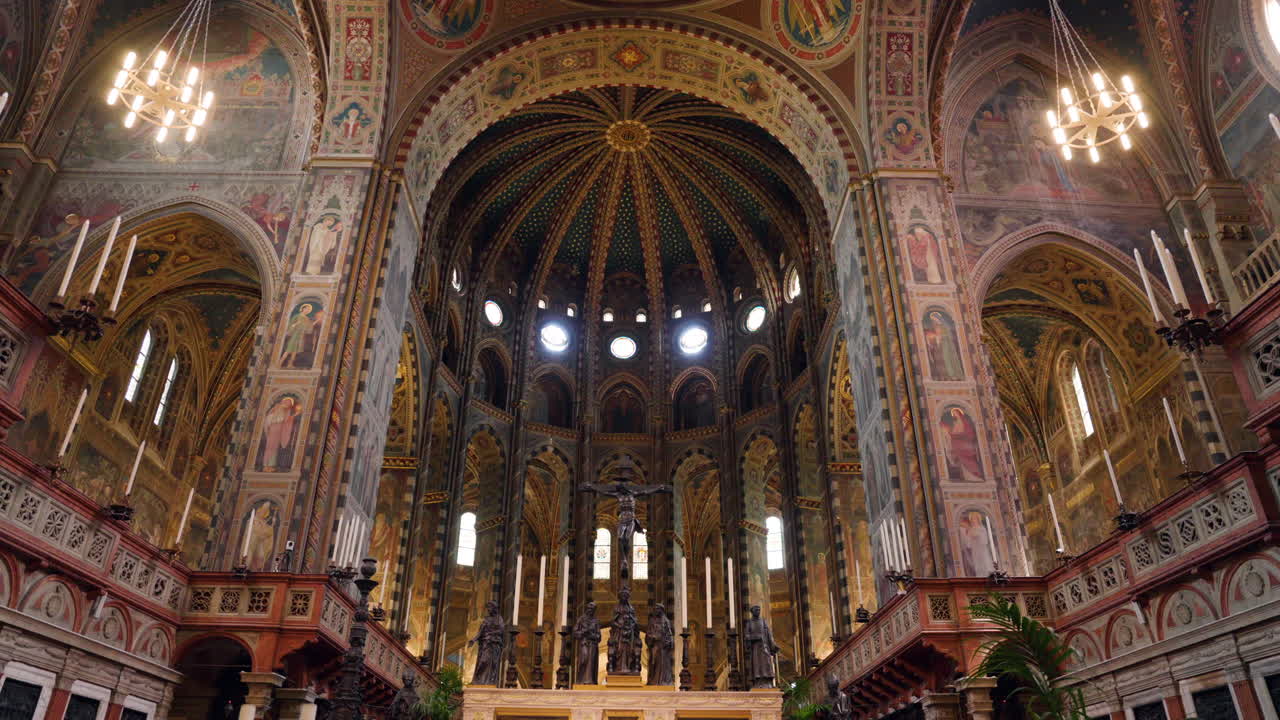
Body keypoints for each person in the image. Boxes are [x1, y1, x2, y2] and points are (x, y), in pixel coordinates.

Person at [742, 605, 779, 689]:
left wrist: (773, 645)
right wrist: (755, 637)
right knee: (757, 665)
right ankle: (758, 682)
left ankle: (767, 681)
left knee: (766, 664)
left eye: (759, 610)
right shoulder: (749, 623)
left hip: (764, 647)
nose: (758, 611)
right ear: (752, 612)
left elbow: (769, 633)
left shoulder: (763, 621)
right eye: (756, 610)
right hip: (755, 648)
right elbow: (747, 636)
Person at [468, 601, 505, 685]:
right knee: (483, 661)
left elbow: (501, 631)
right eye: (487, 608)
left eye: (490, 608)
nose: (488, 610)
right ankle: (477, 680)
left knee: (494, 664)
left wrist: (491, 634)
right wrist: (473, 640)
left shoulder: (499, 619)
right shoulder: (486, 619)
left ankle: (491, 681)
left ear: (494, 608)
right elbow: (481, 632)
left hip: (495, 644)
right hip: (486, 644)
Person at [645, 604, 674, 686]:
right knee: (654, 662)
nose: (656, 611)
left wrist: (669, 641)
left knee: (664, 663)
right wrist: (652, 637)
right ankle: (654, 680)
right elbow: (648, 633)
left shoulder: (666, 621)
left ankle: (664, 681)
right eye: (655, 609)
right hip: (655, 645)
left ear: (661, 610)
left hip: (663, 646)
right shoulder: (652, 621)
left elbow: (669, 634)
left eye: (657, 609)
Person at [573, 602, 601, 685]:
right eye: (589, 608)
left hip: (592, 644)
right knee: (583, 660)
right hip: (584, 643)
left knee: (591, 662)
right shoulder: (581, 619)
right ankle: (580, 680)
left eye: (592, 609)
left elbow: (599, 636)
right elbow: (575, 632)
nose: (590, 610)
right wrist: (583, 632)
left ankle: (589, 681)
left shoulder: (596, 621)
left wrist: (592, 635)